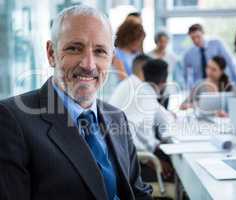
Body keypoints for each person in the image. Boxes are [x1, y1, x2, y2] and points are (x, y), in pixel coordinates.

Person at [0, 5, 152, 200]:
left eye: (100, 51)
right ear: (51, 53)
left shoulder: (117, 117)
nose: (88, 65)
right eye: (74, 48)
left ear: (111, 58)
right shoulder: (12, 120)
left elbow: (136, 192)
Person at [110, 57, 175, 180]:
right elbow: (125, 133)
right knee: (176, 171)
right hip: (132, 163)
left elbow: (164, 117)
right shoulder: (141, 93)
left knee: (171, 155)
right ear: (164, 81)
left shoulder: (137, 87)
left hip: (127, 157)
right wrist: (149, 161)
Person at [183, 23, 236, 90]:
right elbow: (186, 75)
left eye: (198, 36)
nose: (196, 40)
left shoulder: (216, 44)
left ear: (203, 33)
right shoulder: (188, 54)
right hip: (200, 87)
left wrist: (235, 83)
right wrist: (189, 89)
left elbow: (230, 62)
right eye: (193, 38)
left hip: (219, 84)